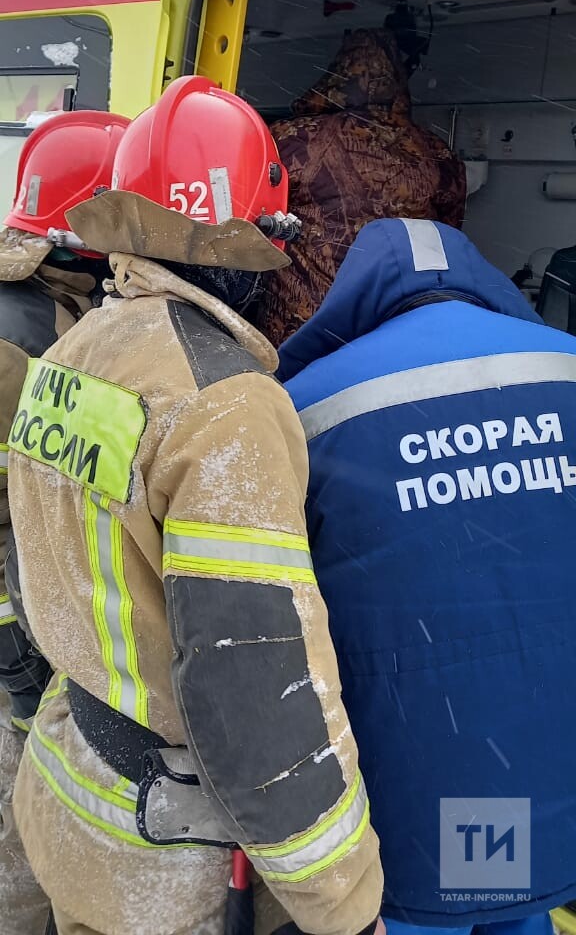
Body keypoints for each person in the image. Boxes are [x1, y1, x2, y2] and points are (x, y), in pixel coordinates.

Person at [7, 76, 383, 935]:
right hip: (166, 864)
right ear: (252, 238)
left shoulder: (73, 351)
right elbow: (255, 684)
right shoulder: (224, 405)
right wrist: (344, 904)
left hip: (70, 786)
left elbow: (36, 569)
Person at [280, 217, 576, 935]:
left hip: (419, 789)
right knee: (523, 901)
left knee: (454, 898)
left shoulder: (306, 408)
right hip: (553, 764)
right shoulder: (564, 365)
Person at [0, 108, 128, 935]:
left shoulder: (43, 309)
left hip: (23, 629)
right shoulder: (28, 339)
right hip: (16, 642)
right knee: (21, 854)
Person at [256, 27, 466, 345]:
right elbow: (449, 233)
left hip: (304, 329)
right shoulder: (436, 151)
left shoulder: (292, 137)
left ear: (337, 77)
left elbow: (249, 216)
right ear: (398, 82)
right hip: (394, 325)